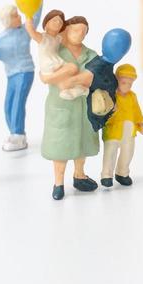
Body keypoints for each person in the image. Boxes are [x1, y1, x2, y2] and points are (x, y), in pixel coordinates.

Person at [39, 14, 100, 200]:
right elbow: (45, 77)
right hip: (61, 106)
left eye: (84, 31)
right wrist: (66, 78)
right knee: (61, 146)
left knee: (82, 144)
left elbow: (92, 77)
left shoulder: (91, 54)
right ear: (65, 31)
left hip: (84, 106)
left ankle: (79, 175)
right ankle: (58, 183)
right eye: (75, 30)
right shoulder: (55, 52)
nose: (80, 34)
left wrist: (70, 79)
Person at [0, 5, 34, 152]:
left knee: (18, 102)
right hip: (11, 74)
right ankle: (14, 133)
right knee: (8, 104)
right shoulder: (1, 38)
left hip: (25, 71)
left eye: (18, 14)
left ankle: (18, 134)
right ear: (7, 20)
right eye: (14, 15)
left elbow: (35, 14)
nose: (19, 17)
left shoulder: (26, 30)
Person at [100, 64, 143, 188]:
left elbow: (137, 111)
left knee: (128, 152)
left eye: (130, 84)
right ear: (116, 80)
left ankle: (122, 173)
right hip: (113, 130)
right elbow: (103, 110)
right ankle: (106, 175)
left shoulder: (132, 96)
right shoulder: (110, 95)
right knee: (110, 152)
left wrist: (141, 124)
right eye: (123, 82)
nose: (127, 86)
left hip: (129, 131)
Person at [24, 8, 88, 100]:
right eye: (54, 20)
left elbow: (67, 31)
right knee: (72, 68)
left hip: (56, 61)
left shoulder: (58, 38)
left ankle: (65, 91)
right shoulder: (43, 38)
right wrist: (28, 19)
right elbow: (31, 31)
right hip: (49, 64)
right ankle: (47, 79)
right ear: (46, 23)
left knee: (64, 78)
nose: (58, 23)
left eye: (60, 22)